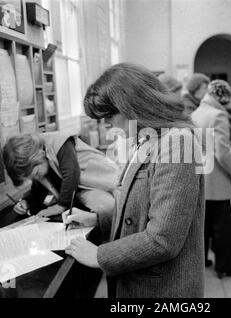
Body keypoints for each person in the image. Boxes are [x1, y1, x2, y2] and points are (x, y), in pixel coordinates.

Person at [64, 63, 205, 298]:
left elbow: (163, 239)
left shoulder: (178, 143)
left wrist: (99, 256)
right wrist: (98, 219)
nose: (108, 124)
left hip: (163, 290)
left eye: (110, 116)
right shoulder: (147, 138)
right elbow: (140, 206)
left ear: (134, 105)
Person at [191, 79, 231, 278]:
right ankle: (224, 267)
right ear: (222, 97)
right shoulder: (219, 115)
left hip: (200, 175)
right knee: (223, 227)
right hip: (216, 178)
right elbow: (222, 153)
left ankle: (203, 260)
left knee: (204, 224)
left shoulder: (196, 113)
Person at [2, 133, 117, 220]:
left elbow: (71, 174)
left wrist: (60, 206)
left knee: (110, 208)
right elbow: (39, 190)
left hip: (107, 180)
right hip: (83, 191)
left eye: (36, 174)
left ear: (38, 156)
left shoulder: (59, 142)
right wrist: (27, 202)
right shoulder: (41, 165)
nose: (37, 178)